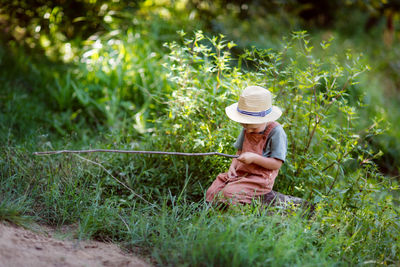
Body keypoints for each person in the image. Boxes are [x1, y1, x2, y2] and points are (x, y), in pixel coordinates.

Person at [206, 85, 287, 205]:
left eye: (253, 128)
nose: (248, 131)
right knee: (213, 191)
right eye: (244, 126)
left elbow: (276, 164)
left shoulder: (276, 132)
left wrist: (254, 158)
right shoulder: (248, 127)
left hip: (260, 179)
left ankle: (238, 216)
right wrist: (233, 166)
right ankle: (215, 216)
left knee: (229, 194)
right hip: (240, 173)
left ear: (265, 119)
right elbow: (239, 151)